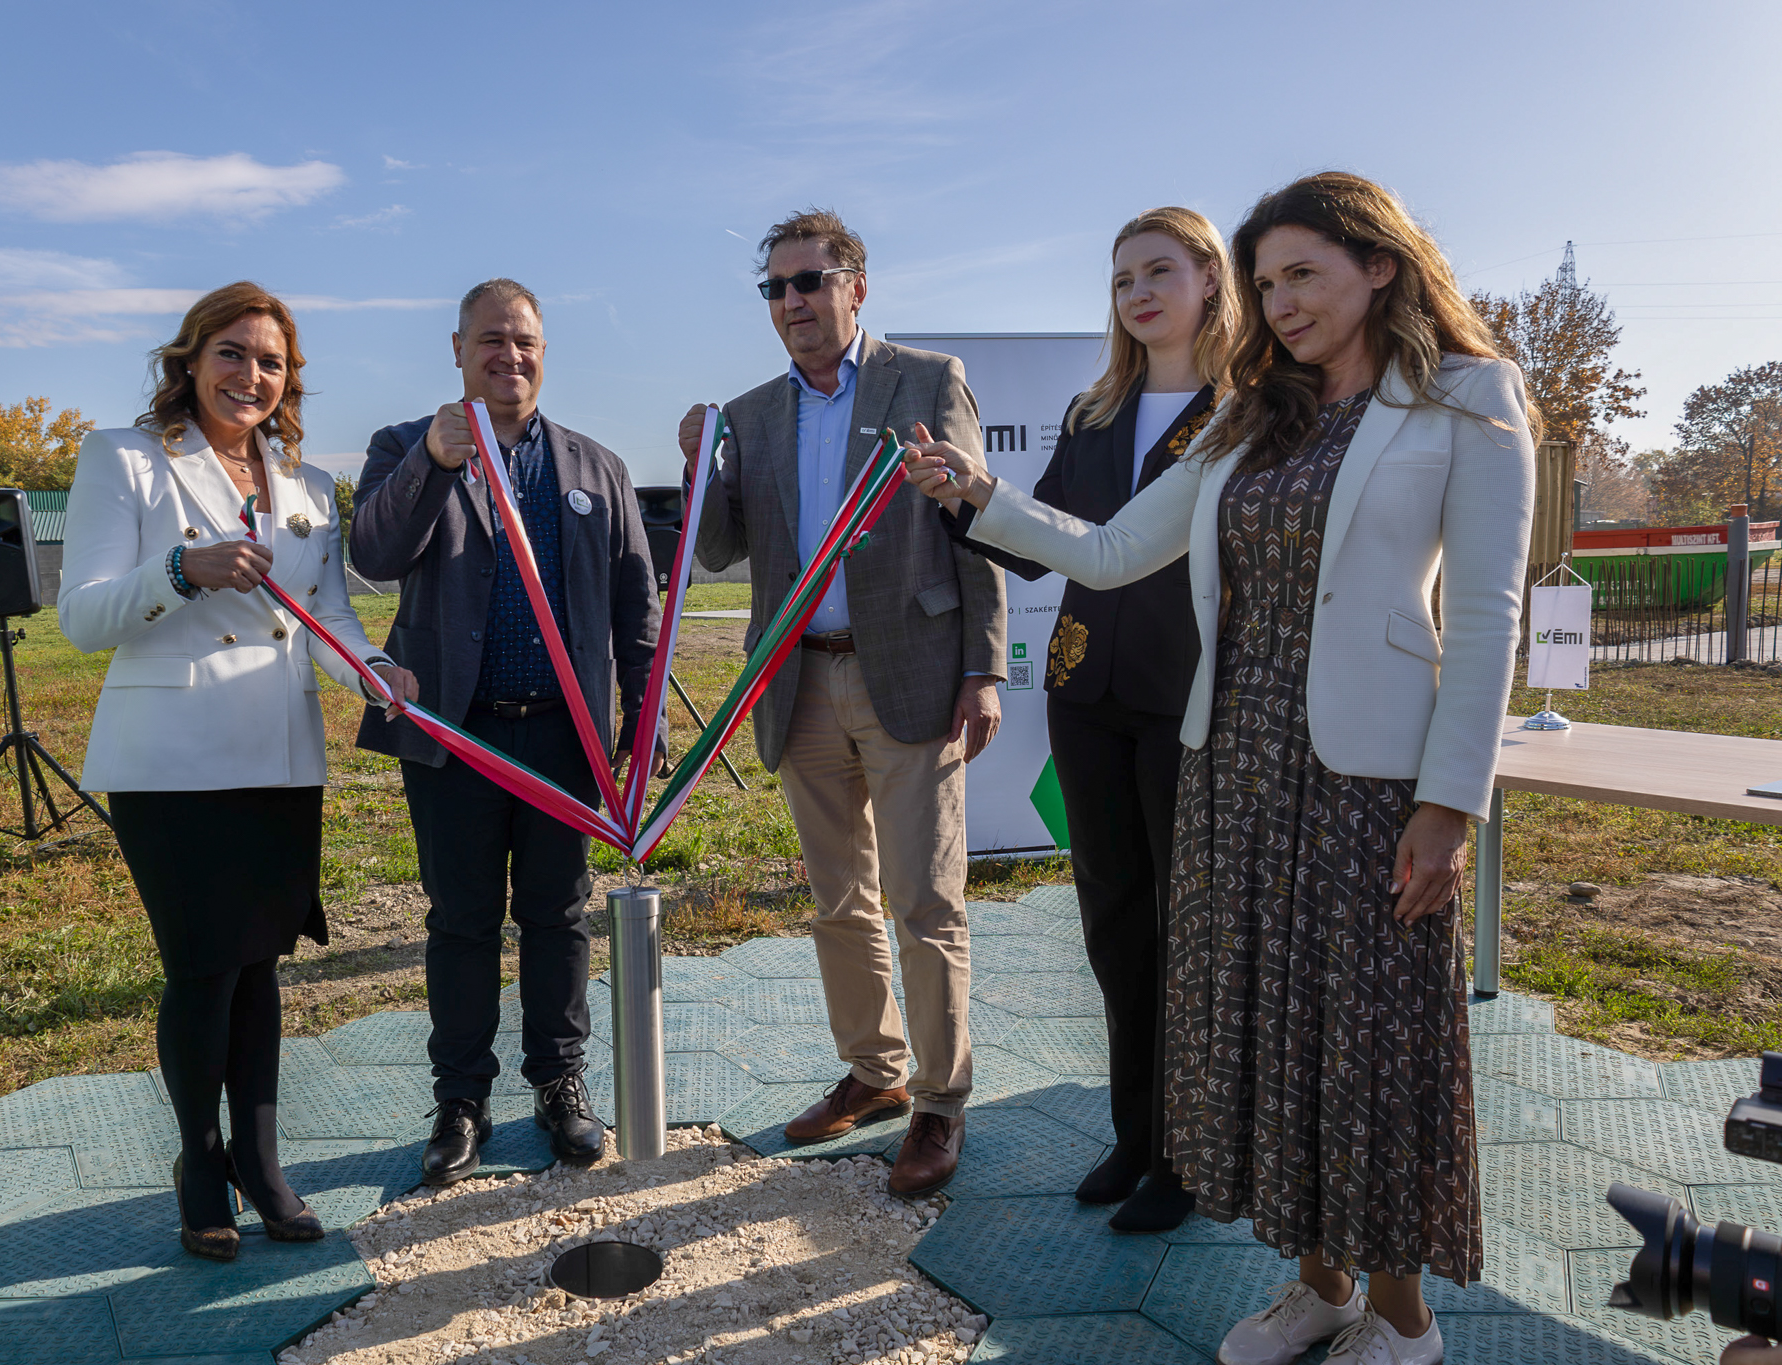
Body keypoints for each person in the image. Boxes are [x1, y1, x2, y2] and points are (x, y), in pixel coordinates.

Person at [905, 171, 1536, 1365]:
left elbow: (1487, 615)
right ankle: (1319, 1289)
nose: (1280, 303)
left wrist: (1448, 804)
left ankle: (1403, 1320)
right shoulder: (1253, 413)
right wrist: (978, 494)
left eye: (1302, 274)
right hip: (1233, 762)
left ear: (1379, 266)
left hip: (1368, 782)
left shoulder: (1467, 395)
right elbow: (1109, 551)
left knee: (1368, 1047)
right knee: (1267, 1034)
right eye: (1264, 283)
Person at [61, 282, 418, 1261]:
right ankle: (200, 1163)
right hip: (170, 764)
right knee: (203, 969)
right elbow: (82, 616)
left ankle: (262, 1165)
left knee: (259, 964)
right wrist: (183, 570)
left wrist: (374, 669)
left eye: (270, 361)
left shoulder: (306, 485)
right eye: (231, 352)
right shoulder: (124, 458)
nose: (249, 375)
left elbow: (326, 618)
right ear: (190, 359)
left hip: (277, 757)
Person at [679, 208, 1007, 1197]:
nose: (792, 302)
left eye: (809, 281)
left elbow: (974, 520)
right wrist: (703, 468)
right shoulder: (752, 413)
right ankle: (874, 1071)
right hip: (798, 680)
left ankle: (941, 1101)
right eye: (775, 288)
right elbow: (719, 549)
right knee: (838, 900)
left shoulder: (927, 380)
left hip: (908, 674)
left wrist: (984, 668)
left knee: (925, 901)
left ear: (855, 287)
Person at [938, 207, 1235, 1233]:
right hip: (1085, 695)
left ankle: (1189, 1155)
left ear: (1210, 278)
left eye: (1158, 271)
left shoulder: (1245, 412)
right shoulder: (1095, 411)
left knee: (1186, 929)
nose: (1137, 293)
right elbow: (1040, 544)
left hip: (1189, 697)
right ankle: (1135, 1135)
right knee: (1112, 922)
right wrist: (958, 498)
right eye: (1121, 280)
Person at [350, 278, 659, 1184]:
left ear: (543, 352)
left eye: (523, 341)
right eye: (490, 340)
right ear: (457, 350)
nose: (508, 356)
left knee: (559, 914)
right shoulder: (405, 446)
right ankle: (462, 1098)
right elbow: (372, 552)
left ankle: (559, 1081)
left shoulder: (595, 466)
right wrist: (432, 463)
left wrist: (643, 720)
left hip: (565, 738)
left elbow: (636, 604)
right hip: (457, 739)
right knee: (462, 919)